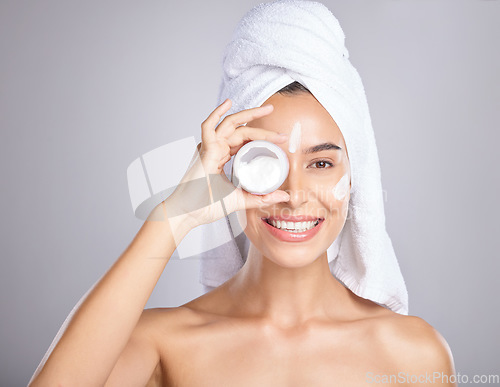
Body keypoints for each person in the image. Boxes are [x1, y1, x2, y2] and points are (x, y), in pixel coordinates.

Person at [29, 2, 457, 386]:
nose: (294, 193)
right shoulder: (163, 345)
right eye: (266, 162)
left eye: (321, 163)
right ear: (229, 172)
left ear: (355, 176)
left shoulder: (413, 355)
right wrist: (175, 218)